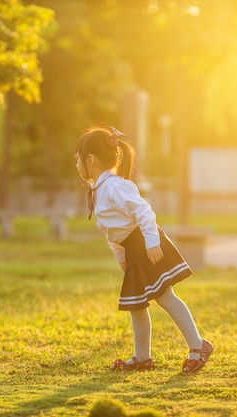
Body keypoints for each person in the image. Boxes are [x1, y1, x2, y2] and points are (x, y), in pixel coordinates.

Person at [75, 125, 213, 373]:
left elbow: (144, 211)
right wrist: (121, 257)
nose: (76, 165)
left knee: (164, 296)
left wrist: (152, 244)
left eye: (77, 159)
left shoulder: (115, 186)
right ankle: (142, 357)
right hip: (132, 249)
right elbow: (112, 231)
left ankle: (198, 345)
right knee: (136, 304)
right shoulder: (100, 190)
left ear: (90, 160)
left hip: (145, 244)